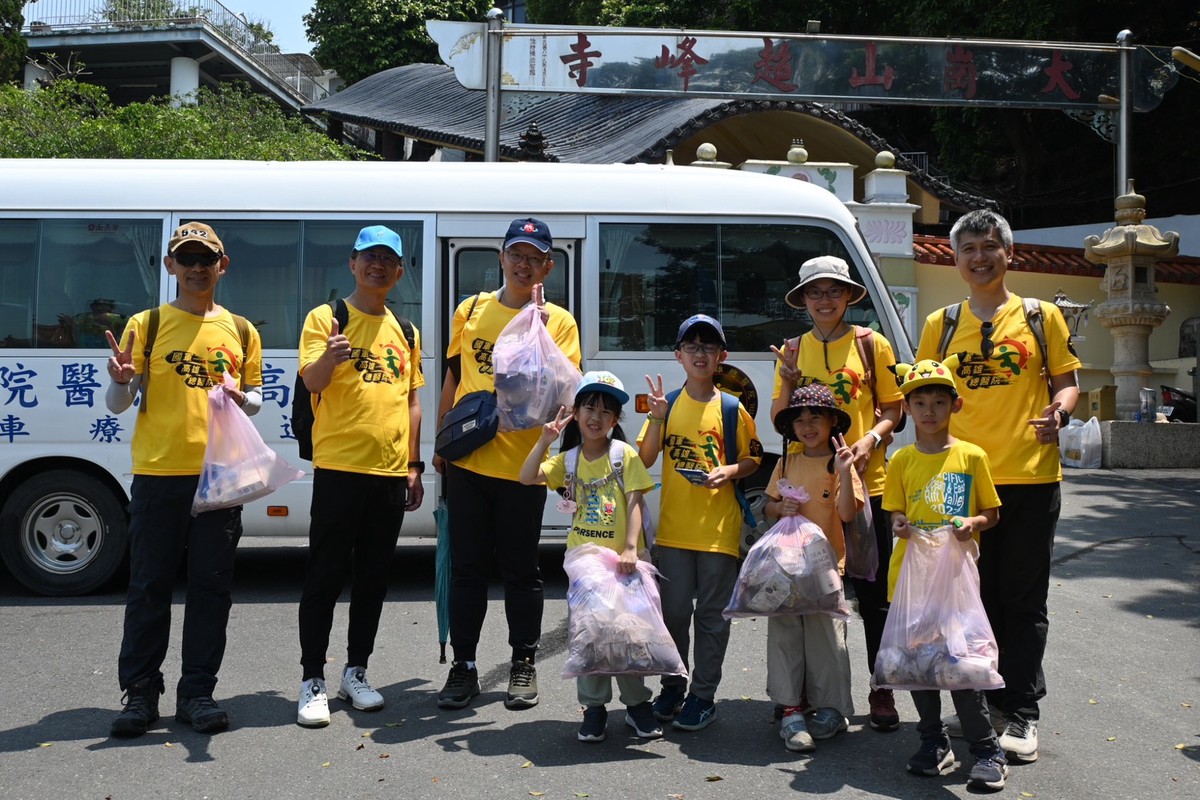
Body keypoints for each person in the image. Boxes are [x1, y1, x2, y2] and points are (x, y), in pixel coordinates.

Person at [915, 209, 1080, 763]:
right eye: (968, 249)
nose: (980, 257)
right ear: (956, 259)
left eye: (990, 247)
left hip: (1030, 476)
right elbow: (922, 397)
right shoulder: (939, 324)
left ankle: (1023, 710)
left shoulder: (1042, 317)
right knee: (966, 600)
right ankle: (982, 702)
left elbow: (1067, 384)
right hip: (960, 480)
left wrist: (1058, 413)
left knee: (1023, 598)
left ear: (1009, 253)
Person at [105, 222, 263, 737]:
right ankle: (140, 694)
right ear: (170, 266)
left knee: (211, 589)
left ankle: (197, 692)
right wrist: (121, 381)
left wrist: (243, 398)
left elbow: (257, 398)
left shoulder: (241, 330)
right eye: (187, 258)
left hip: (219, 478)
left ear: (223, 266)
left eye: (207, 258)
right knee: (149, 586)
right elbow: (119, 404)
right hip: (158, 474)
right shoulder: (146, 324)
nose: (197, 267)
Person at [434, 217, 581, 711]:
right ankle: (465, 666)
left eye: (534, 257)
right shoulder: (471, 310)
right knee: (467, 570)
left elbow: (562, 391)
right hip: (470, 463)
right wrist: (441, 441)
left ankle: (522, 663)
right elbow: (453, 381)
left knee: (522, 571)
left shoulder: (559, 320)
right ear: (501, 258)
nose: (524, 264)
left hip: (525, 467)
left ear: (548, 265)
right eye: (516, 254)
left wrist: (536, 328)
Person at [295, 225, 425, 727]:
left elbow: (412, 400)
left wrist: (413, 466)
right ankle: (312, 680)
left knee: (373, 579)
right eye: (369, 257)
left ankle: (356, 672)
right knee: (324, 577)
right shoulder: (327, 318)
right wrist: (329, 356)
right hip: (338, 469)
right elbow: (311, 382)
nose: (378, 266)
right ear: (352, 264)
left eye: (388, 260)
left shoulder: (405, 331)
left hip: (390, 473)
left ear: (398, 271)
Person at [770, 255, 904, 731]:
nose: (824, 300)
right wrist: (786, 381)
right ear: (803, 300)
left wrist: (870, 439)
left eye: (834, 290)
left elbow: (894, 407)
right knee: (807, 592)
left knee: (873, 596)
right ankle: (805, 691)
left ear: (849, 296)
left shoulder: (872, 345)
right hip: (809, 490)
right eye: (815, 292)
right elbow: (780, 420)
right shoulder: (791, 349)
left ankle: (881, 686)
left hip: (871, 485)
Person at [882, 355, 1007, 791]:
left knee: (960, 666)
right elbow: (895, 511)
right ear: (908, 409)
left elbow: (991, 511)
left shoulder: (972, 456)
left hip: (955, 584)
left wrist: (974, 524)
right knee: (919, 665)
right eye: (920, 403)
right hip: (912, 581)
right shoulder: (900, 460)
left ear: (955, 405)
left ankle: (986, 749)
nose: (929, 410)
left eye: (939, 401)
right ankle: (934, 741)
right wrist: (898, 523)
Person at [519, 371, 662, 743]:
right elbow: (526, 477)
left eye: (605, 410)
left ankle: (636, 706)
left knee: (629, 636)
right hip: (584, 565)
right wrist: (544, 440)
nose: (596, 416)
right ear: (577, 413)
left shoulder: (623, 455)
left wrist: (631, 547)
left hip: (623, 564)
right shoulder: (567, 460)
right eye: (589, 407)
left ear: (615, 420)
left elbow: (634, 500)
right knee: (591, 635)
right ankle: (594, 709)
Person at [638, 314, 762, 731]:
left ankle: (704, 695)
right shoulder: (667, 404)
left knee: (711, 618)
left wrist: (729, 471)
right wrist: (656, 417)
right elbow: (645, 459)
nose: (699, 353)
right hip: (673, 531)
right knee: (672, 615)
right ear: (678, 355)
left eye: (708, 347)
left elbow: (753, 458)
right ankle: (673, 684)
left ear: (721, 357)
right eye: (691, 346)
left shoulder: (733, 408)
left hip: (718, 532)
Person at [763, 383, 863, 753]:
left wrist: (846, 472)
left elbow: (848, 513)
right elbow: (769, 507)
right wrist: (780, 509)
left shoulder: (838, 463)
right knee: (786, 634)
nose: (807, 426)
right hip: (786, 569)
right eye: (800, 419)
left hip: (825, 568)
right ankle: (790, 709)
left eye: (815, 418)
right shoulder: (785, 462)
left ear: (832, 422)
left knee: (827, 640)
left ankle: (831, 709)